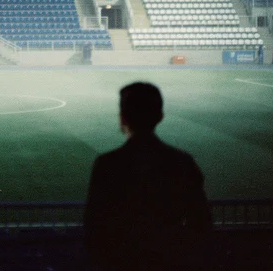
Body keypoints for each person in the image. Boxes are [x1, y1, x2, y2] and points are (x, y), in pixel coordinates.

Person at [84, 82, 212, 271]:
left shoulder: (107, 165)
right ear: (160, 116)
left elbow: (95, 226)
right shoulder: (182, 162)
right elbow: (201, 222)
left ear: (123, 118)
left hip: (122, 261)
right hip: (169, 260)